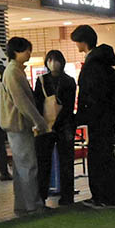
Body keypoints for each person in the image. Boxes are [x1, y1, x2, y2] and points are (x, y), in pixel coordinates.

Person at [76, 39, 115, 207]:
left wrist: (82, 117)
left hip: (97, 120)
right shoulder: (107, 68)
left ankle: (100, 197)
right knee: (107, 157)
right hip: (109, 119)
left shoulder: (92, 67)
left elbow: (90, 96)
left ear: (82, 42)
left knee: (97, 158)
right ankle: (111, 196)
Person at [0, 37, 49, 215]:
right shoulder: (14, 72)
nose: (29, 53)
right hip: (18, 124)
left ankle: (23, 204)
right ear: (16, 51)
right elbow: (22, 102)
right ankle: (32, 204)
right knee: (28, 166)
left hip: (15, 124)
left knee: (21, 167)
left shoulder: (13, 70)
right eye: (26, 50)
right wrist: (39, 121)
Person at [33, 49, 77, 207]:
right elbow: (37, 102)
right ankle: (42, 195)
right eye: (50, 59)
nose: (53, 63)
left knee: (65, 163)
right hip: (51, 126)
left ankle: (67, 196)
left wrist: (49, 123)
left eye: (56, 59)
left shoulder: (69, 81)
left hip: (59, 126)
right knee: (45, 162)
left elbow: (69, 106)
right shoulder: (42, 80)